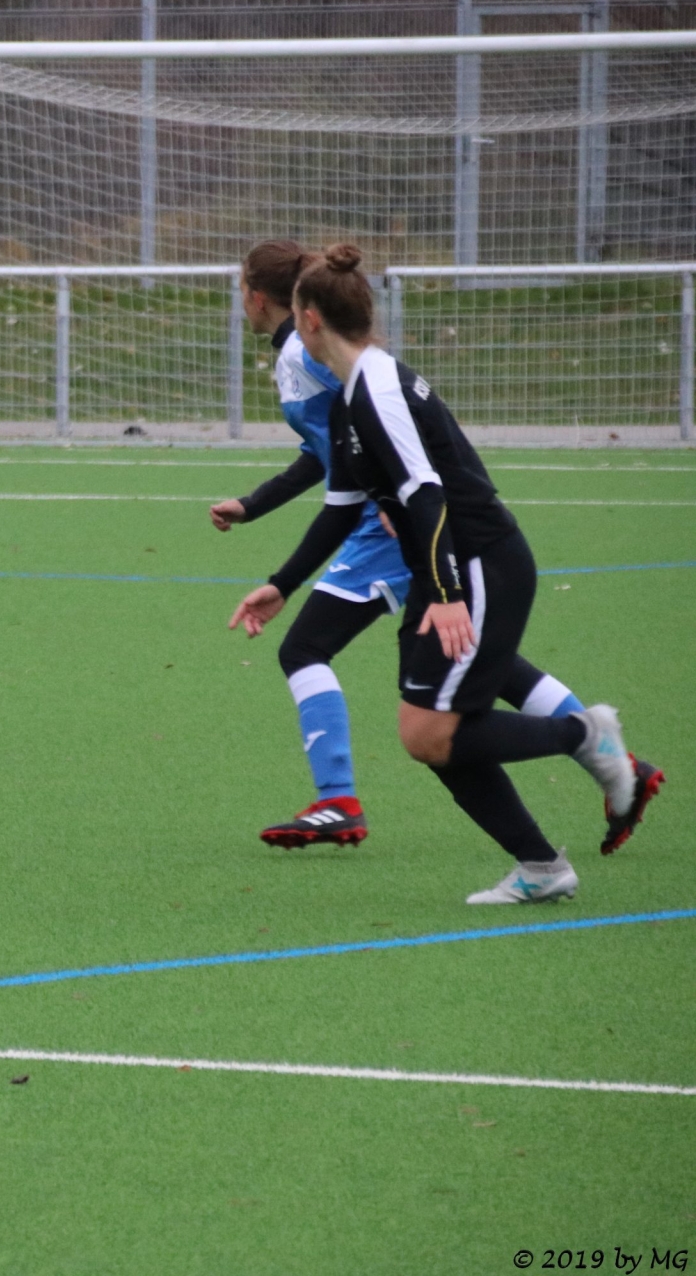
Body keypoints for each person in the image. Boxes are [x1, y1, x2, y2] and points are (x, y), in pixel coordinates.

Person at [229, 244, 664, 904]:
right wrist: (281, 584)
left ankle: (586, 736)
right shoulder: (350, 396)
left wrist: (448, 593)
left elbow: (425, 493)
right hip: (453, 568)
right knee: (429, 735)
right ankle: (542, 866)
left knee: (434, 731)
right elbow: (343, 505)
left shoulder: (376, 388)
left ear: (311, 319)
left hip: (483, 563)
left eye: (294, 313)